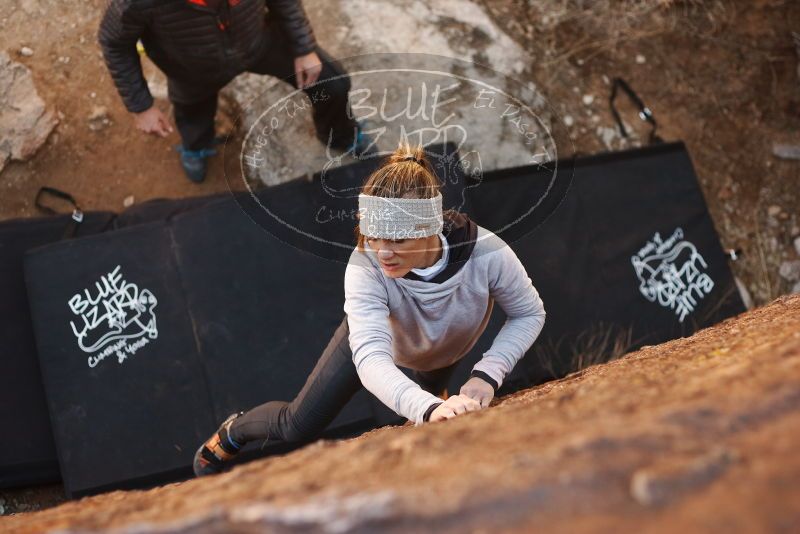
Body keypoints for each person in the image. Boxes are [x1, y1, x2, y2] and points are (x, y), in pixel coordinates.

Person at [193, 143, 546, 476]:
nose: (382, 253)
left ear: (430, 228)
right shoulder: (365, 267)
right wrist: (425, 408)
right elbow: (372, 361)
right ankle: (234, 430)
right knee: (297, 425)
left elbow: (529, 312)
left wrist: (487, 374)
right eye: (372, 236)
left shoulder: (485, 251)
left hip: (443, 350)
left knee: (434, 401)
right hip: (372, 345)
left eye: (397, 240)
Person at [98, 0, 373, 183]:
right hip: (192, 68)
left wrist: (303, 48)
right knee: (193, 114)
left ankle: (340, 134)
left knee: (332, 83)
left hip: (258, 42)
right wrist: (141, 106)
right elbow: (115, 42)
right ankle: (196, 148)